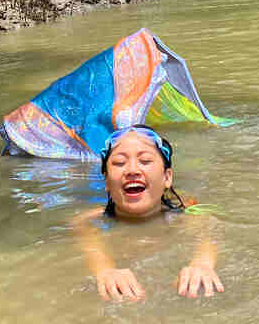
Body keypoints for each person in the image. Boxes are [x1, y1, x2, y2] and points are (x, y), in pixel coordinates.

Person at [74, 126, 222, 303]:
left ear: (167, 178)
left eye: (145, 161)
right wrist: (105, 271)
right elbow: (89, 240)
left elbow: (208, 232)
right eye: (120, 163)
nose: (132, 171)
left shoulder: (184, 212)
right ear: (106, 181)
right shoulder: (91, 221)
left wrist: (202, 263)